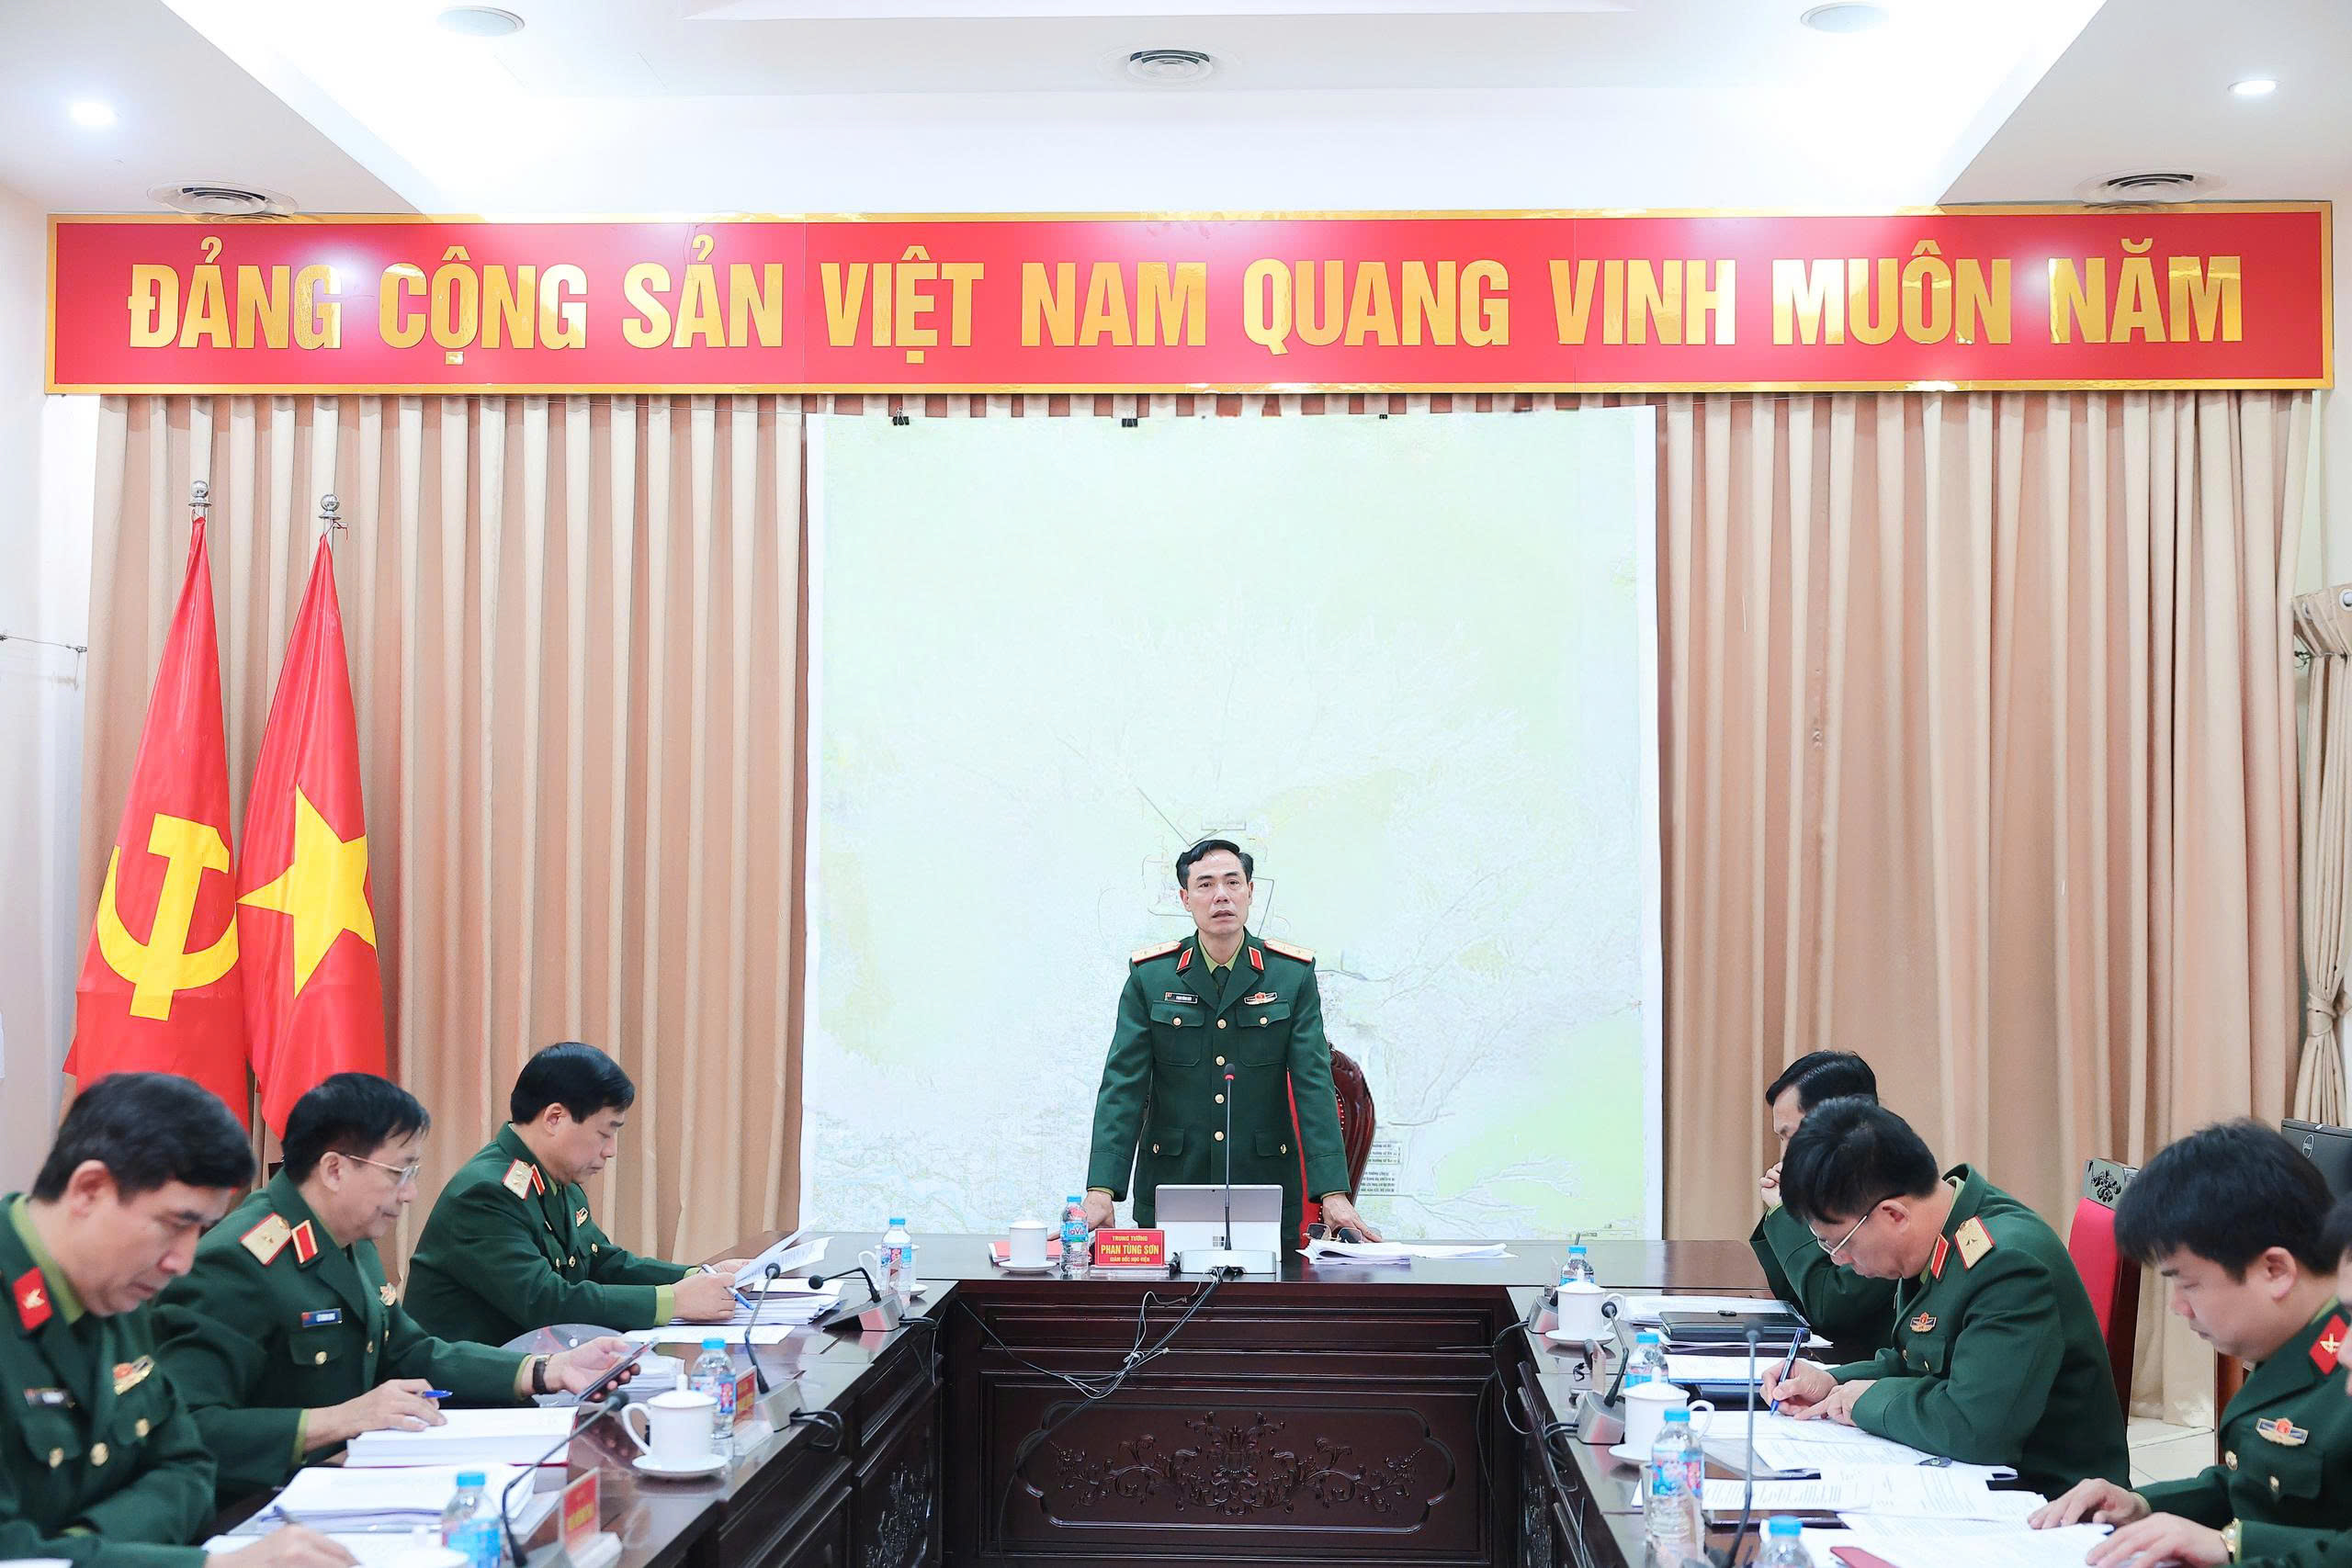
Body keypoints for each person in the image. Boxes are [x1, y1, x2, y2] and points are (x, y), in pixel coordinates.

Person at [153, 1074, 639, 1502]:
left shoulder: (348, 1239)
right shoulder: (237, 1261)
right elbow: (190, 1427)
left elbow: (410, 1351)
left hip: (350, 1483)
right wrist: (342, 1419)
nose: (409, 1193)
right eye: (399, 1173)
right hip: (259, 1508)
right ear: (335, 1169)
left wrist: (549, 1369)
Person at [0, 1072, 353, 1568]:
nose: (182, 1262)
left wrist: (88, 1547)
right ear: (89, 1190)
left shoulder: (111, 1289)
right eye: (173, 1225)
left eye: (201, 1230)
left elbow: (188, 1466)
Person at [1758, 1098, 2130, 1493]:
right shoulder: (1938, 1233)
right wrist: (1832, 1382)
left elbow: (1976, 1428)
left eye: (1839, 1243)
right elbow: (1919, 1362)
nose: (1840, 1260)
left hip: (2049, 1498)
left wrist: (1864, 1401)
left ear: (1893, 1215)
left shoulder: (2007, 1264)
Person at [2030, 1122, 2352, 1565]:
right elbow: (2255, 1484)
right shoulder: (2292, 1338)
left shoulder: (2341, 1366)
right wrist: (2141, 1505)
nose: (2178, 1307)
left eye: (2189, 1283)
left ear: (2275, 1271)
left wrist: (2231, 1546)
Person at [1081, 839, 1376, 1247]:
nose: (1221, 895)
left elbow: (1313, 1085)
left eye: (1232, 882)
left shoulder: (1291, 976)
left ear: (1250, 892)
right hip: (1172, 1181)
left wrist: (1333, 1193)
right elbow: (1122, 1087)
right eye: (1205, 884)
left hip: (1265, 1184)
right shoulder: (1151, 977)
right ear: (1185, 898)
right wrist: (1102, 1189)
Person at [403, 1043, 749, 1344]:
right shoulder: (486, 1193)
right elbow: (546, 1302)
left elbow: (603, 1263)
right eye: (604, 1133)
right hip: (465, 1390)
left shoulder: (556, 1179)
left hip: (538, 1368)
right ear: (555, 1118)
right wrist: (672, 1301)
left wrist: (701, 1276)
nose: (611, 1151)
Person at [1751, 1051, 1897, 1343]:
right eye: (1781, 1138)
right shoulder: (1834, 1186)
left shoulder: (1890, 1193)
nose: (1786, 1155)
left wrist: (1787, 1211)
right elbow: (1788, 1292)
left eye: (1794, 1136)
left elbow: (1830, 1305)